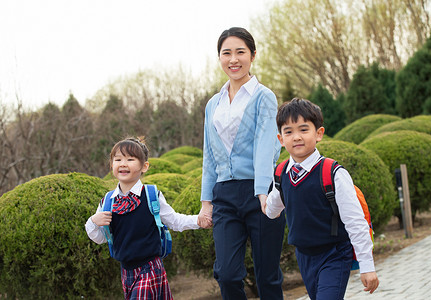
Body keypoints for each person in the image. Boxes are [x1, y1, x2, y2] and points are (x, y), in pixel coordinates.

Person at [197, 27, 286, 300]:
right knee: (226, 273)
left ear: (253, 55)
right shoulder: (213, 104)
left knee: (267, 274)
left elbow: (266, 145)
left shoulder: (264, 97)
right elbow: (209, 154)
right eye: (227, 53)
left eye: (240, 52)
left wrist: (262, 191)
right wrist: (206, 201)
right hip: (224, 196)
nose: (233, 59)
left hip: (259, 193)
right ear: (220, 58)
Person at [265, 98, 379, 300]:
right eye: (288, 132)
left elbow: (355, 222)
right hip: (304, 256)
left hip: (334, 253)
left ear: (319, 134)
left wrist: (367, 266)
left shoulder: (332, 173)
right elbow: (273, 210)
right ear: (280, 139)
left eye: (303, 129)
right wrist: (262, 198)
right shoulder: (281, 174)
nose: (296, 137)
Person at [85, 137, 204, 300]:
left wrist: (199, 220)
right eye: (118, 159)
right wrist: (93, 222)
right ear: (111, 165)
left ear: (144, 166)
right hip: (126, 271)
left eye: (130, 159)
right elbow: (100, 238)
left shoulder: (151, 196)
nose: (123, 163)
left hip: (150, 268)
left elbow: (175, 221)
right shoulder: (107, 201)